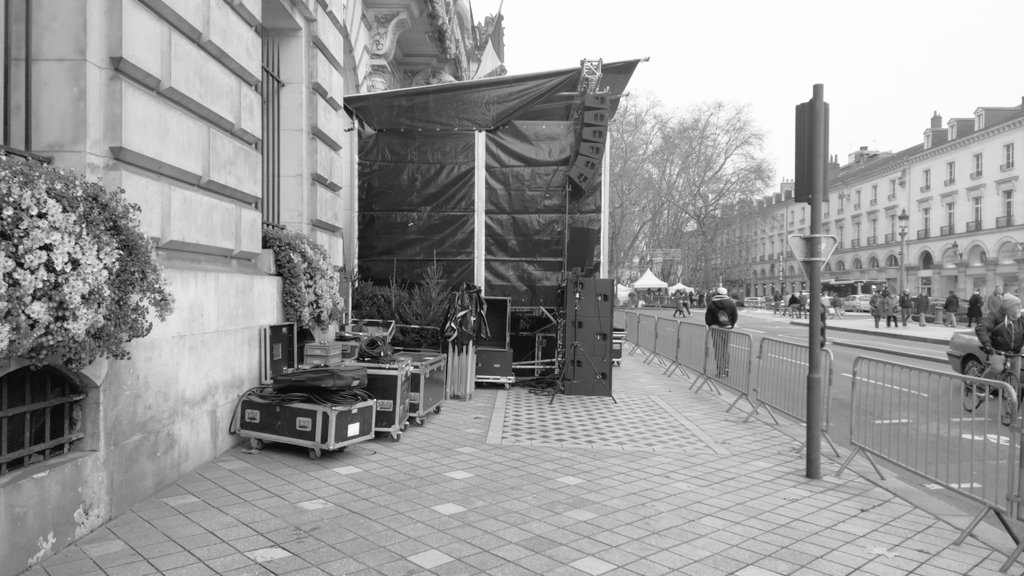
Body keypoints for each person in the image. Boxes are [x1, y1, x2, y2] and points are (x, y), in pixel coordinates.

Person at [975, 294, 1024, 382]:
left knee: (1015, 380)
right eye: (1017, 305)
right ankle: (980, 386)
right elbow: (982, 328)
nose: (1020, 307)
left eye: (1020, 305)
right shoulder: (994, 316)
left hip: (1015, 354)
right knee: (997, 368)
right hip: (997, 351)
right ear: (1009, 307)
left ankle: (1010, 395)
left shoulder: (1020, 320)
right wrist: (987, 344)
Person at [705, 287, 738, 377]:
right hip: (727, 328)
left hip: (715, 328)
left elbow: (707, 318)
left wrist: (711, 325)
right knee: (725, 349)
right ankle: (726, 368)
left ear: (717, 293)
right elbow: (735, 316)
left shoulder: (711, 304)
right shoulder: (731, 303)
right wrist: (732, 325)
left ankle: (720, 370)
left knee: (718, 349)